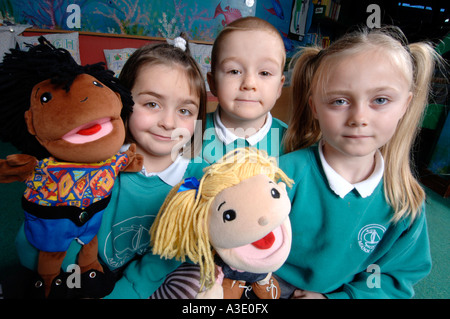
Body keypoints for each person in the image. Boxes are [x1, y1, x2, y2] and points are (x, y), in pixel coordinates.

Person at [15, 33, 210, 298]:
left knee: (198, 280)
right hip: (82, 270)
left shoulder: (196, 179)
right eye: (152, 103)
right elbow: (40, 251)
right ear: (123, 101)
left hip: (143, 278)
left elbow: (165, 258)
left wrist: (126, 292)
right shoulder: (93, 164)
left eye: (185, 111)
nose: (168, 122)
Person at [275, 26, 441, 299]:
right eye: (339, 101)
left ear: (405, 106)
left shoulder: (404, 202)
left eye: (380, 100)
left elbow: (394, 279)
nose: (359, 117)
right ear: (315, 106)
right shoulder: (282, 174)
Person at [202, 17, 287, 164]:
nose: (249, 83)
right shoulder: (192, 132)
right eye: (234, 71)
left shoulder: (290, 141)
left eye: (265, 73)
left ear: (279, 87)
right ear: (213, 83)